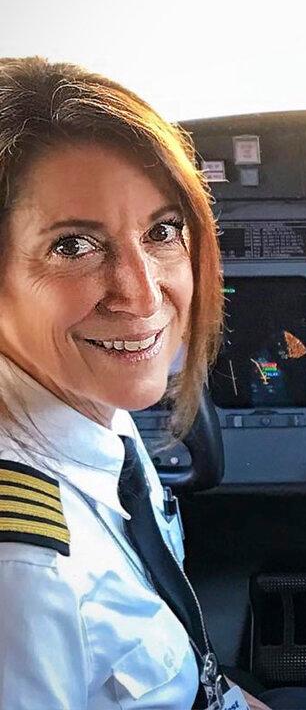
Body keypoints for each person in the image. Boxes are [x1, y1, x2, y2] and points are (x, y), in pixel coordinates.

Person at [0, 57, 270, 709]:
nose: (144, 295)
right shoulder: (26, 571)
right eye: (73, 246)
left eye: (162, 230)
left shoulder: (88, 405)